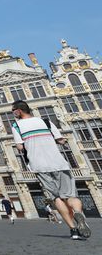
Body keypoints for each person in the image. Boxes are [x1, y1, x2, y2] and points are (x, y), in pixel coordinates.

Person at [12, 100, 91, 240]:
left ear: (19, 111)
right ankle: (78, 213)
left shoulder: (16, 125)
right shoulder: (46, 122)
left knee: (57, 198)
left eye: (13, 111)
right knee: (71, 196)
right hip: (59, 163)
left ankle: (73, 230)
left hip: (39, 166)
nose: (13, 113)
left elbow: (20, 147)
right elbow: (60, 140)